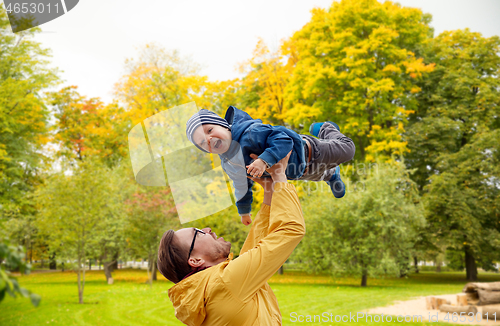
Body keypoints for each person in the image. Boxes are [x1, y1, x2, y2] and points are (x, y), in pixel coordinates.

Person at [157, 152, 305, 325]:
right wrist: (279, 175)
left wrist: (270, 189)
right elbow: (290, 230)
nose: (207, 229)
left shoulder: (211, 289)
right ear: (195, 260)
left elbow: (255, 248)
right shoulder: (225, 283)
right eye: (198, 233)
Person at [185, 106, 356, 225]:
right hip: (298, 172)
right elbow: (241, 185)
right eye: (202, 142)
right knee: (319, 175)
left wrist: (263, 161)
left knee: (348, 150)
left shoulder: (251, 133)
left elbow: (283, 139)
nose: (208, 139)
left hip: (312, 151)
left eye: (209, 130)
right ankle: (332, 175)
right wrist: (244, 210)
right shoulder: (229, 163)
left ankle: (325, 129)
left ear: (224, 126)